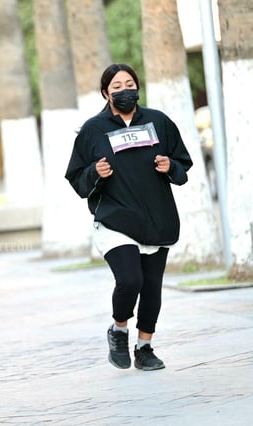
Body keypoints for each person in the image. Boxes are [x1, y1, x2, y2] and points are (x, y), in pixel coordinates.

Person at [65, 63, 193, 371]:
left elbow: (182, 163)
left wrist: (169, 166)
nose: (125, 90)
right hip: (115, 220)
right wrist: (95, 172)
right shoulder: (94, 130)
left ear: (138, 87)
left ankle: (145, 347)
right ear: (106, 93)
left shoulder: (158, 122)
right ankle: (118, 329)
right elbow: (76, 176)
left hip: (155, 217)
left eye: (129, 84)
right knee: (130, 280)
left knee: (151, 287)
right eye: (117, 86)